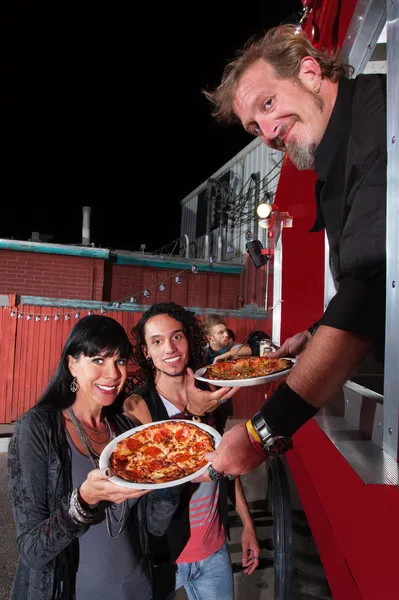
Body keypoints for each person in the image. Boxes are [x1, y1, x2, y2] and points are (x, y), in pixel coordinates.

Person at [201, 24, 386, 476]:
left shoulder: (380, 121)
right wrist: (318, 330)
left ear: (308, 72)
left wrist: (259, 435)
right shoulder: (338, 151)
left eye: (268, 104)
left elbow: (370, 292)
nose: (267, 133)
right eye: (254, 126)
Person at [7, 314, 179, 600]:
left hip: (137, 589)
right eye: (98, 360)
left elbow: (154, 526)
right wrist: (83, 501)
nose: (113, 374)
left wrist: (175, 479)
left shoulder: (126, 431)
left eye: (120, 361)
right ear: (72, 364)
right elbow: (32, 550)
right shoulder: (38, 430)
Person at [124, 303, 260, 600]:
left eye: (176, 337)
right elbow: (162, 476)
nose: (169, 348)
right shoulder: (138, 407)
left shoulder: (211, 392)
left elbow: (225, 464)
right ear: (146, 352)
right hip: (165, 555)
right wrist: (193, 416)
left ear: (189, 339)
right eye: (157, 341)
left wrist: (246, 524)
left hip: (214, 551)